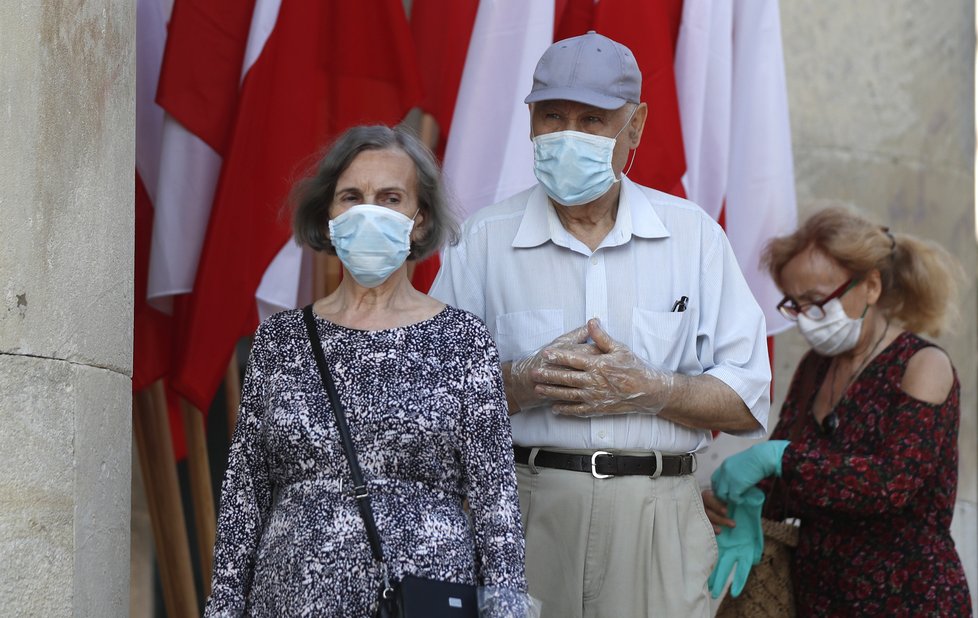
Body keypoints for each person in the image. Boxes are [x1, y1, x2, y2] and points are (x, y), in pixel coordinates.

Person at [430, 32, 772, 618]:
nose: (569, 135)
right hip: (524, 511)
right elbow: (431, 397)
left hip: (658, 517)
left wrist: (655, 390)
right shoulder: (481, 241)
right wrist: (519, 381)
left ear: (635, 127)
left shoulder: (693, 239)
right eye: (552, 116)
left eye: (593, 120)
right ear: (529, 121)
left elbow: (748, 402)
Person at [205, 125, 531, 616]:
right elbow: (243, 501)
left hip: (425, 601)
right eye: (351, 197)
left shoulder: (463, 341)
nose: (368, 211)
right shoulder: (279, 343)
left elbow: (497, 508)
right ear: (329, 216)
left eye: (390, 197)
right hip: (289, 603)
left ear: (419, 221)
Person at [706, 206, 972, 616]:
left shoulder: (922, 365)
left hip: (907, 597)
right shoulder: (816, 367)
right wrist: (735, 501)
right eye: (795, 304)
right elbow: (787, 481)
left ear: (871, 286)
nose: (808, 319)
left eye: (818, 301)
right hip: (820, 597)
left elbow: (891, 484)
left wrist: (779, 459)